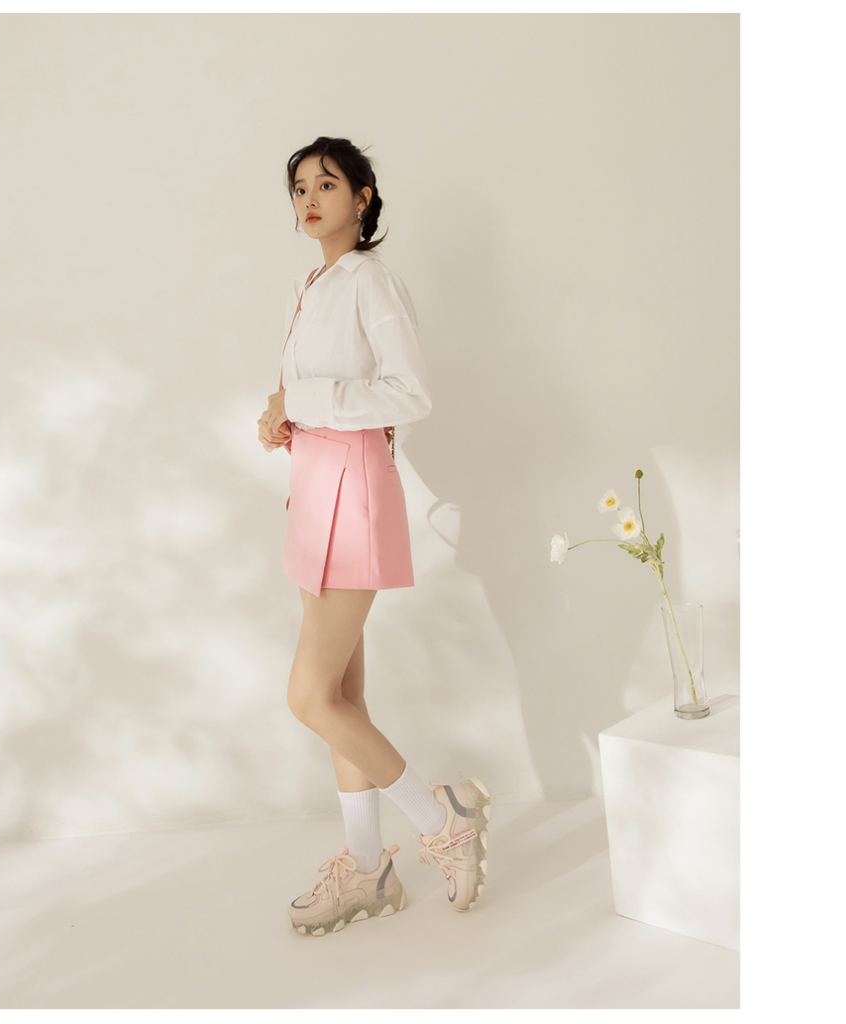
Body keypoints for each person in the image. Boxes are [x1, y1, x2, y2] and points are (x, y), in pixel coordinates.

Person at [257, 137, 490, 938]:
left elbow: (407, 393)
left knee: (308, 697)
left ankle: (442, 817)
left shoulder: (371, 281)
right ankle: (367, 870)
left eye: (326, 184)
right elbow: (317, 393)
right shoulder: (311, 286)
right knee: (341, 699)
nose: (309, 198)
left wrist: (303, 401)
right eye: (299, 188)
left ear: (362, 197)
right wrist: (280, 415)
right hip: (312, 491)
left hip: (351, 493)